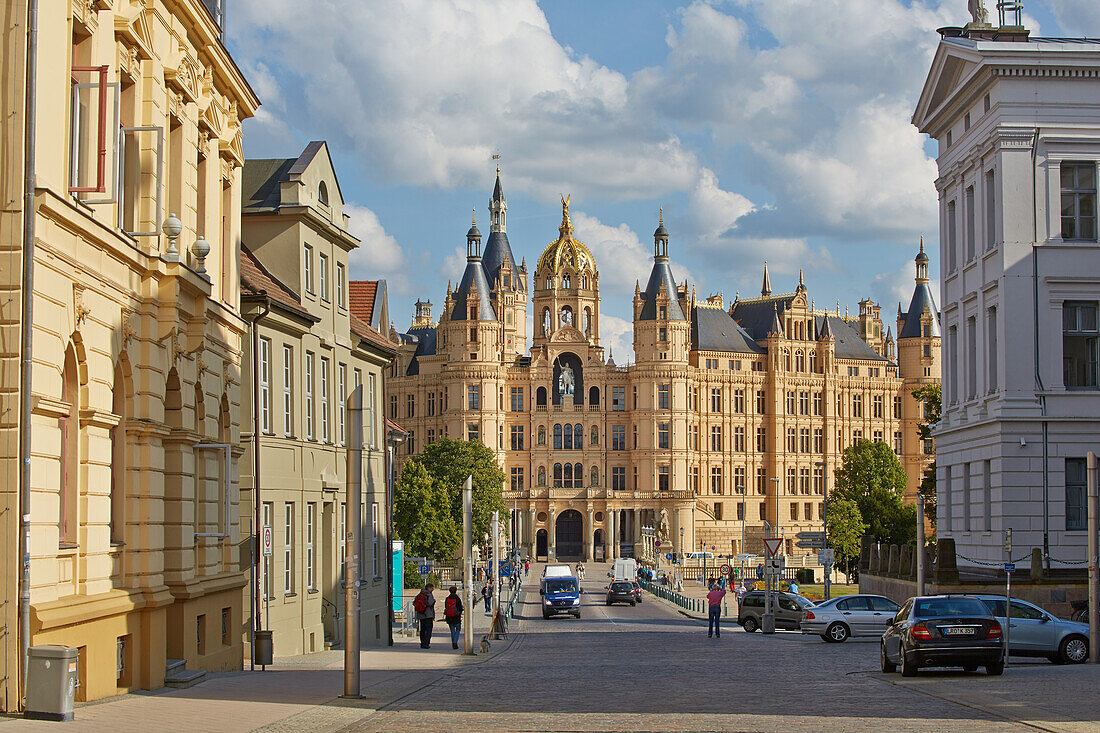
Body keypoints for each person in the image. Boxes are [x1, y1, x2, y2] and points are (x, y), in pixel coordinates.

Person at [414, 583, 436, 649]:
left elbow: (414, 603)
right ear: (429, 588)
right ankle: (426, 643)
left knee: (422, 630)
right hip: (428, 615)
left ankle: (422, 643)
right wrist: (434, 601)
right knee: (428, 630)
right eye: (432, 588)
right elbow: (430, 603)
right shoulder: (429, 595)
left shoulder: (419, 594)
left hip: (421, 615)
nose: (433, 589)